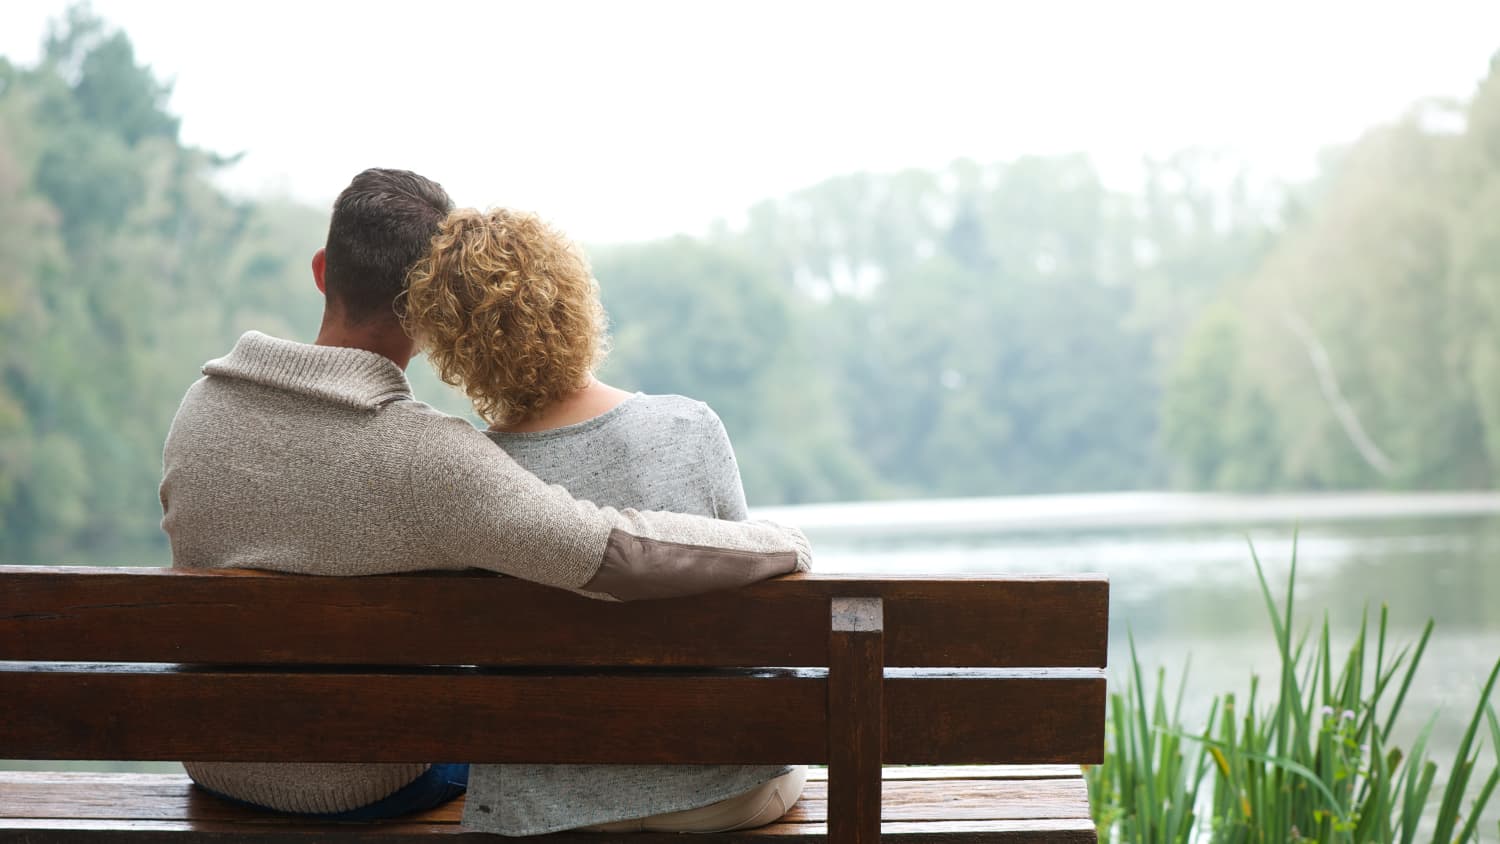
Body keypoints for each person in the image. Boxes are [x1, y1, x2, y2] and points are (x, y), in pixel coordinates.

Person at [158, 168, 812, 823]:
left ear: (323, 270)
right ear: (430, 310)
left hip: (216, 760)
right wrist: (779, 543)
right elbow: (611, 553)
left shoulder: (200, 409)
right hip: (362, 784)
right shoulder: (424, 455)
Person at [401, 207, 807, 835]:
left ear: (455, 346)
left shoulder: (469, 474)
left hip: (543, 809)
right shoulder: (687, 426)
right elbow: (753, 600)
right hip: (718, 790)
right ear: (573, 301)